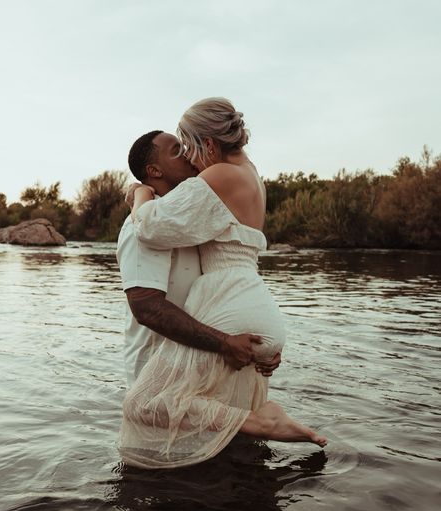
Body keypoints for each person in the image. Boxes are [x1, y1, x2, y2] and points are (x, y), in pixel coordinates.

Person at [120, 97, 327, 468]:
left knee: (141, 404)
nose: (189, 157)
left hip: (227, 304)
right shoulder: (251, 175)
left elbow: (150, 226)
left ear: (210, 145)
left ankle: (260, 422)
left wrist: (139, 193)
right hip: (253, 303)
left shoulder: (219, 177)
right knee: (229, 454)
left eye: (189, 147)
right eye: (177, 150)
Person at [117, 130, 282, 388]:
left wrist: (260, 342)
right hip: (156, 377)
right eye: (176, 151)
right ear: (155, 171)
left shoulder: (195, 220)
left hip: (203, 373)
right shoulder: (139, 228)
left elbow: (229, 281)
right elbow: (146, 308)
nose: (187, 153)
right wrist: (224, 343)